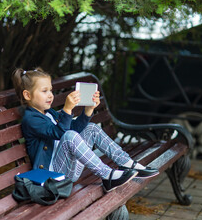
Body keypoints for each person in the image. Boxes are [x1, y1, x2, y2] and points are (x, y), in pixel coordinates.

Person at [12, 67, 159, 192]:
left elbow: (73, 129)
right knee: (69, 136)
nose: (50, 95)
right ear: (27, 95)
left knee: (91, 128)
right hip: (52, 176)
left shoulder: (49, 113)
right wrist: (67, 109)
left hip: (68, 167)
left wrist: (88, 110)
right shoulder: (31, 119)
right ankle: (107, 175)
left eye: (51, 90)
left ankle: (125, 162)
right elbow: (61, 133)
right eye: (44, 91)